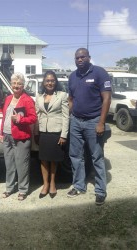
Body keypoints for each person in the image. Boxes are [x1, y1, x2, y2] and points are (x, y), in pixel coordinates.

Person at [67, 48, 112, 206]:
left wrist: (101, 122)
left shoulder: (99, 73)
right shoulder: (72, 76)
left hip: (94, 122)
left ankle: (100, 190)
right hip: (76, 121)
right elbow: (71, 99)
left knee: (96, 157)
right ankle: (79, 185)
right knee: (75, 156)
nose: (79, 59)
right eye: (77, 57)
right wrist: (70, 116)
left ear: (89, 58)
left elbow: (106, 99)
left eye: (82, 57)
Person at [0, 72, 37, 201]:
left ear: (23, 85)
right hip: (7, 136)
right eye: (14, 83)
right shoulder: (8, 98)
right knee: (9, 164)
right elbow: (4, 117)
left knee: (22, 165)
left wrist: (20, 119)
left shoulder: (27, 100)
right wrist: (1, 133)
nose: (16, 86)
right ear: (11, 84)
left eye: (19, 84)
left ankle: (23, 190)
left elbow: (33, 118)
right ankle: (9, 188)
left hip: (21, 137)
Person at [34, 71, 69, 199]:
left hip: (56, 132)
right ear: (44, 82)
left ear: (56, 82)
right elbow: (37, 115)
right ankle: (45, 184)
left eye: (52, 80)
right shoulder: (39, 97)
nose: (50, 83)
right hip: (43, 131)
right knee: (43, 159)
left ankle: (53, 183)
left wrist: (63, 135)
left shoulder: (62, 95)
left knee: (54, 160)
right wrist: (36, 132)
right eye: (47, 80)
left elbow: (66, 117)